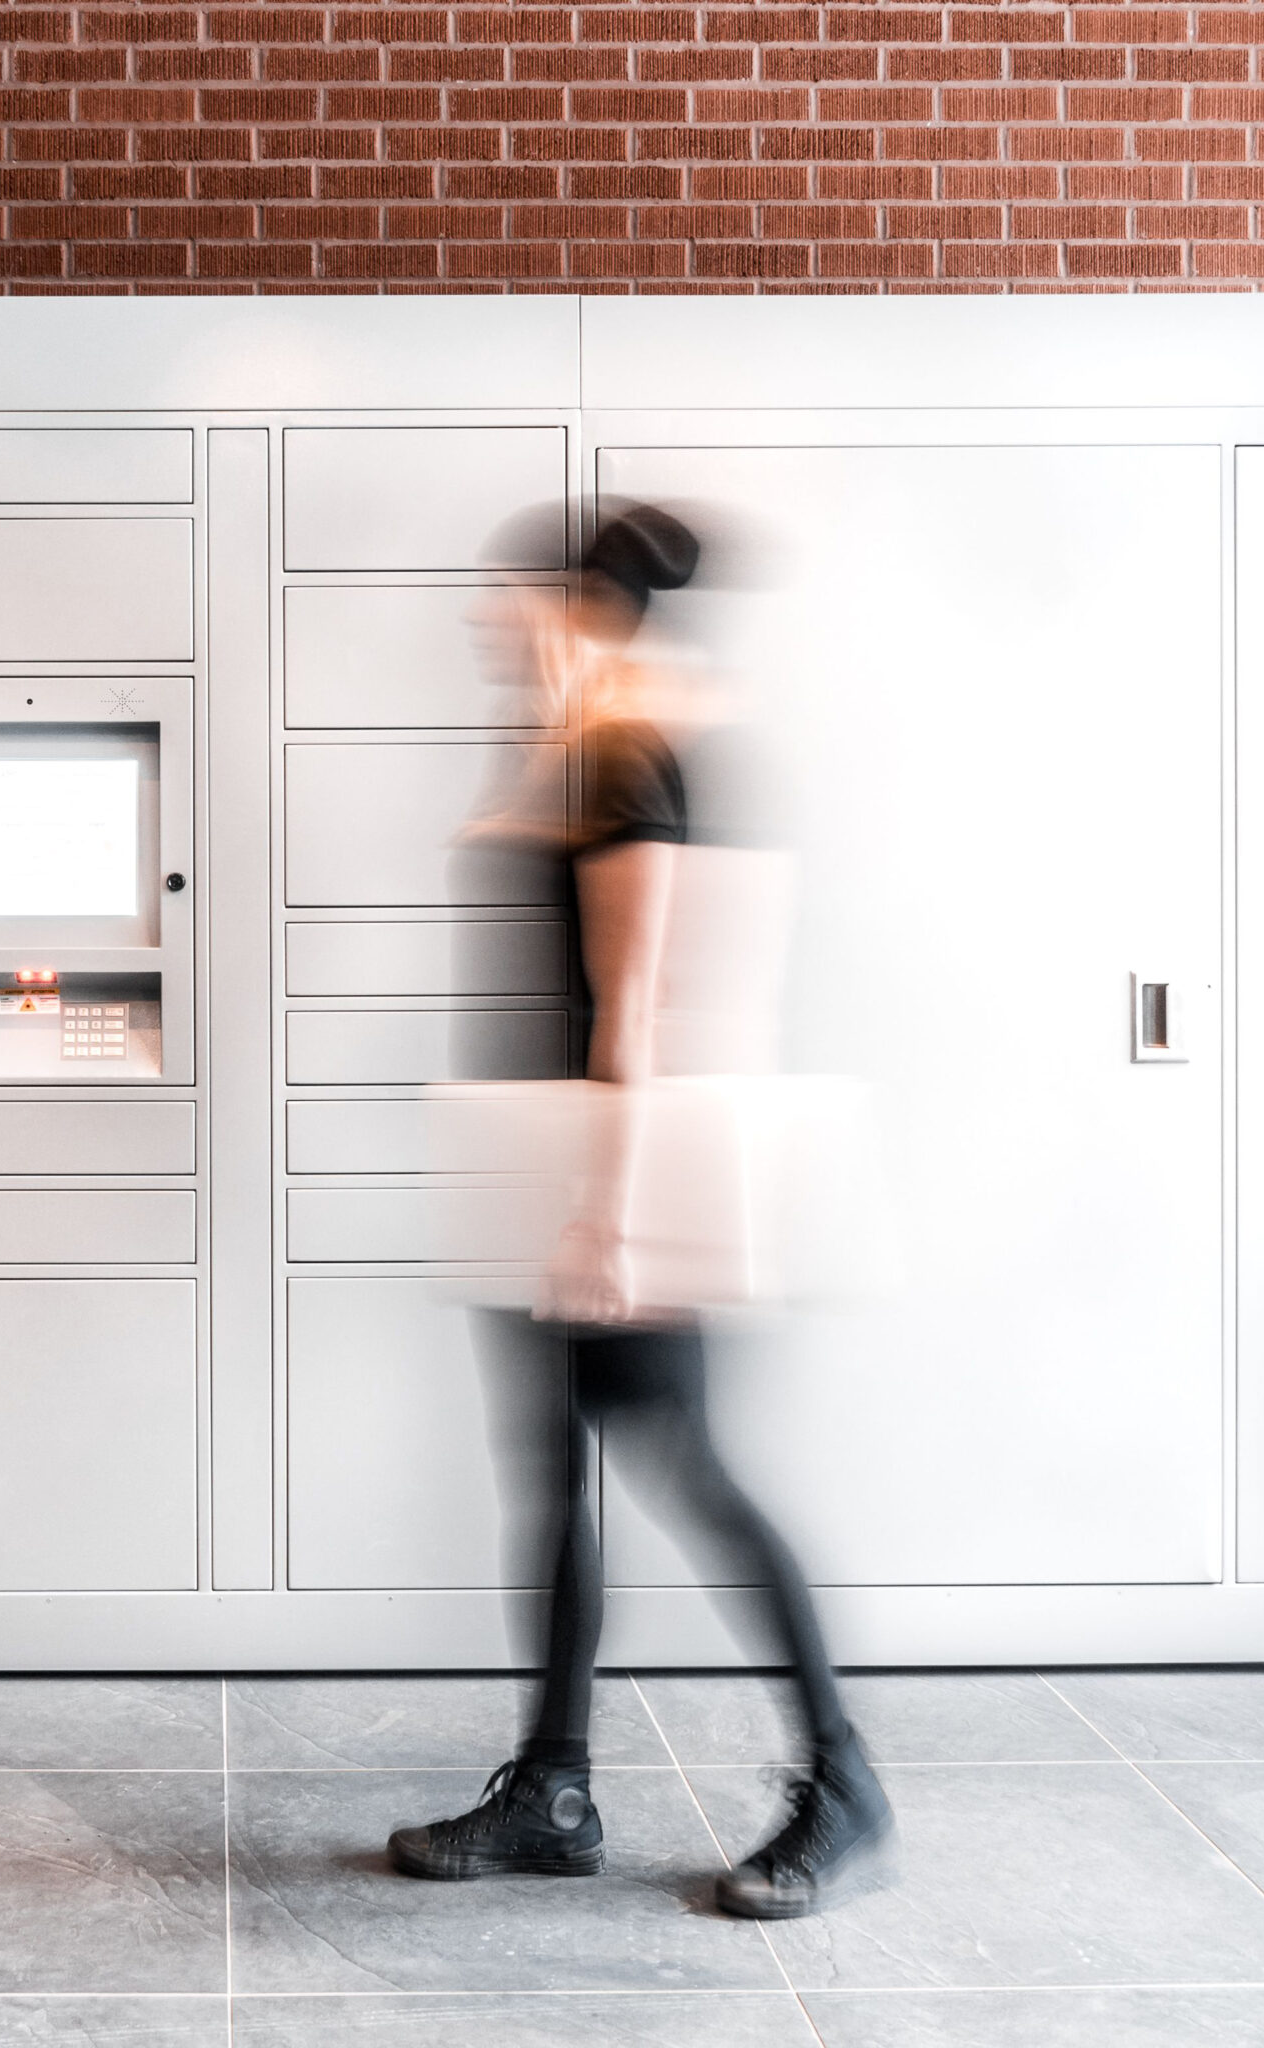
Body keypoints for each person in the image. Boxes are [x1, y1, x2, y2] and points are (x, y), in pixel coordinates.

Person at [386, 506, 893, 1920]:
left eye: (521, 601)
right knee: (560, 1473)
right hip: (566, 1169)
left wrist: (609, 1217)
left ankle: (843, 1782)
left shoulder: (624, 755)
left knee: (688, 1468)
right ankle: (553, 1788)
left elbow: (639, 1004)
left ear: (584, 606)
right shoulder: (595, 745)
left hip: (621, 1181)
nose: (496, 622)